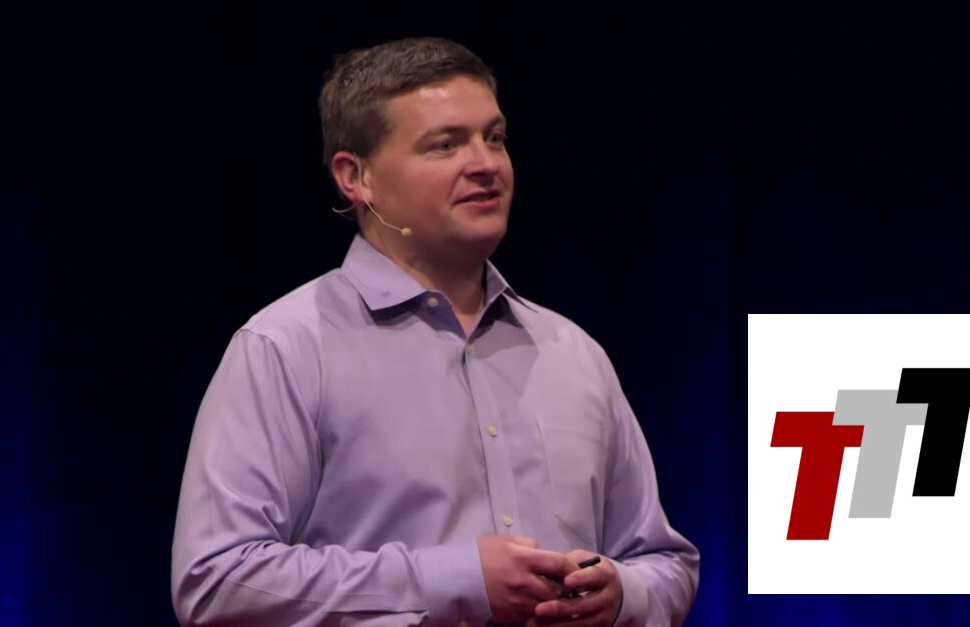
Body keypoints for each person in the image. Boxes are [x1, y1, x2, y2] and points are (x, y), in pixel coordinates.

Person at [171, 36, 699, 626]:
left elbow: (666, 562)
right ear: (356, 177)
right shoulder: (287, 348)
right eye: (445, 144)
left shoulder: (572, 353)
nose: (485, 164)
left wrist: (622, 594)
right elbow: (217, 580)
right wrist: (456, 582)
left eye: (494, 138)